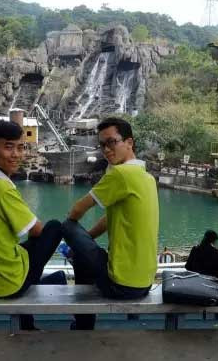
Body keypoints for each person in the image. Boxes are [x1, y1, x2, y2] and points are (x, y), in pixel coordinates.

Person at [0, 120, 66, 330]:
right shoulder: (1, 188)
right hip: (5, 283)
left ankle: (36, 299)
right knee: (54, 228)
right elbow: (37, 230)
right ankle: (30, 307)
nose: (16, 154)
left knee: (29, 247)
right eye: (8, 147)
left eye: (20, 147)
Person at [62, 117, 159, 330]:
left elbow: (76, 210)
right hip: (143, 283)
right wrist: (84, 241)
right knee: (82, 255)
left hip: (121, 284)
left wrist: (74, 237)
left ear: (129, 142)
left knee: (65, 226)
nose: (106, 150)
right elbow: (109, 219)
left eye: (112, 142)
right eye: (102, 145)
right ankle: (83, 324)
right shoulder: (146, 177)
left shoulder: (121, 174)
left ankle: (83, 325)